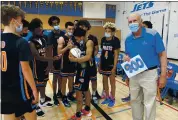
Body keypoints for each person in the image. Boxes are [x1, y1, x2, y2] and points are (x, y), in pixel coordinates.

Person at [125, 13, 167, 120]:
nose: (132, 23)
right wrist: (127, 75)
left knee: (149, 103)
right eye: (130, 22)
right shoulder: (128, 39)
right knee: (135, 101)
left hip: (149, 74)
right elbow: (128, 56)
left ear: (141, 22)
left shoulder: (153, 34)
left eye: (135, 21)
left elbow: (162, 55)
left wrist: (163, 75)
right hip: (134, 74)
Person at [1, 5, 38, 120]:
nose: (22, 24)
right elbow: (25, 69)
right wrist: (34, 90)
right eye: (21, 20)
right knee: (32, 117)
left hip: (3, 88)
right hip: (20, 89)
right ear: (13, 21)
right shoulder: (20, 42)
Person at [28, 18, 60, 116]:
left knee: (44, 83)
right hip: (36, 68)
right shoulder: (31, 42)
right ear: (33, 31)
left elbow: (48, 50)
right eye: (38, 29)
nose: (41, 30)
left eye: (41, 27)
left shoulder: (44, 38)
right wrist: (52, 59)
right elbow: (38, 57)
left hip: (45, 66)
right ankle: (35, 105)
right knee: (37, 87)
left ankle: (42, 100)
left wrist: (50, 64)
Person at [121, 20, 153, 102]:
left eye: (144, 27)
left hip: (146, 68)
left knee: (144, 87)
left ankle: (142, 100)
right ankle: (131, 96)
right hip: (135, 65)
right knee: (133, 84)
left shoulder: (152, 40)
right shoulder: (133, 39)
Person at [69, 27, 93, 119]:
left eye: (77, 38)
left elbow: (88, 57)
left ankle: (78, 115)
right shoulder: (80, 44)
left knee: (79, 92)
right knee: (86, 90)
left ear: (82, 37)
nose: (76, 39)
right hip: (81, 70)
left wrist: (75, 59)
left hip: (84, 71)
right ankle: (87, 109)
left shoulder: (89, 42)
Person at [76, 20, 101, 104]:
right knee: (83, 80)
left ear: (87, 27)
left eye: (84, 26)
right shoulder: (76, 38)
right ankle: (85, 96)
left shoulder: (93, 38)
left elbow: (97, 49)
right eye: (81, 26)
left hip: (91, 63)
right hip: (81, 64)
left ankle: (94, 94)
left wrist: (91, 55)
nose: (82, 28)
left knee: (93, 79)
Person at [99, 22, 120, 107]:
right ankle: (107, 97)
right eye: (106, 31)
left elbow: (116, 55)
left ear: (113, 32)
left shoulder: (116, 40)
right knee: (105, 82)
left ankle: (112, 98)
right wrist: (99, 65)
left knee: (112, 83)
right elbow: (102, 53)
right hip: (104, 64)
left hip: (111, 65)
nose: (107, 32)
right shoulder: (103, 39)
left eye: (109, 31)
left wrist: (114, 67)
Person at [47, 16, 65, 105]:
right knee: (55, 78)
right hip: (55, 60)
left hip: (62, 60)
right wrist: (50, 62)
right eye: (54, 23)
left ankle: (59, 92)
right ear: (51, 25)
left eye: (57, 23)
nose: (56, 25)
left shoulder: (63, 33)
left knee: (61, 77)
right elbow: (49, 50)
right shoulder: (50, 36)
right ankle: (54, 94)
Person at [58, 21, 76, 107]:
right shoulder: (62, 38)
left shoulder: (75, 39)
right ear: (66, 29)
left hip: (72, 63)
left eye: (72, 29)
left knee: (71, 81)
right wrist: (67, 47)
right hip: (64, 63)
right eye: (69, 29)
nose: (71, 30)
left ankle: (70, 95)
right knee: (64, 82)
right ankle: (63, 97)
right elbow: (59, 51)